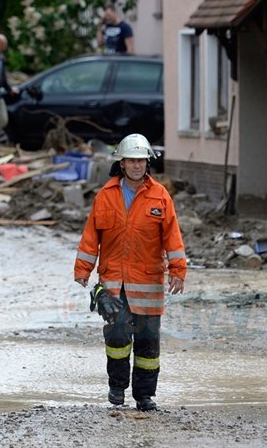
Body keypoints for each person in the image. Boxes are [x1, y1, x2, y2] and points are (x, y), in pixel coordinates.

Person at [74, 133, 187, 412]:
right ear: (121, 163)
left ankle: (145, 395)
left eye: (141, 161)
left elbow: (173, 237)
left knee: (148, 344)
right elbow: (91, 236)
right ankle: (116, 387)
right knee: (116, 338)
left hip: (148, 283)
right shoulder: (105, 196)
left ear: (147, 163)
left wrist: (178, 271)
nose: (137, 166)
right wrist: (83, 269)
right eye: (131, 161)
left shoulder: (160, 196)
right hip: (114, 282)